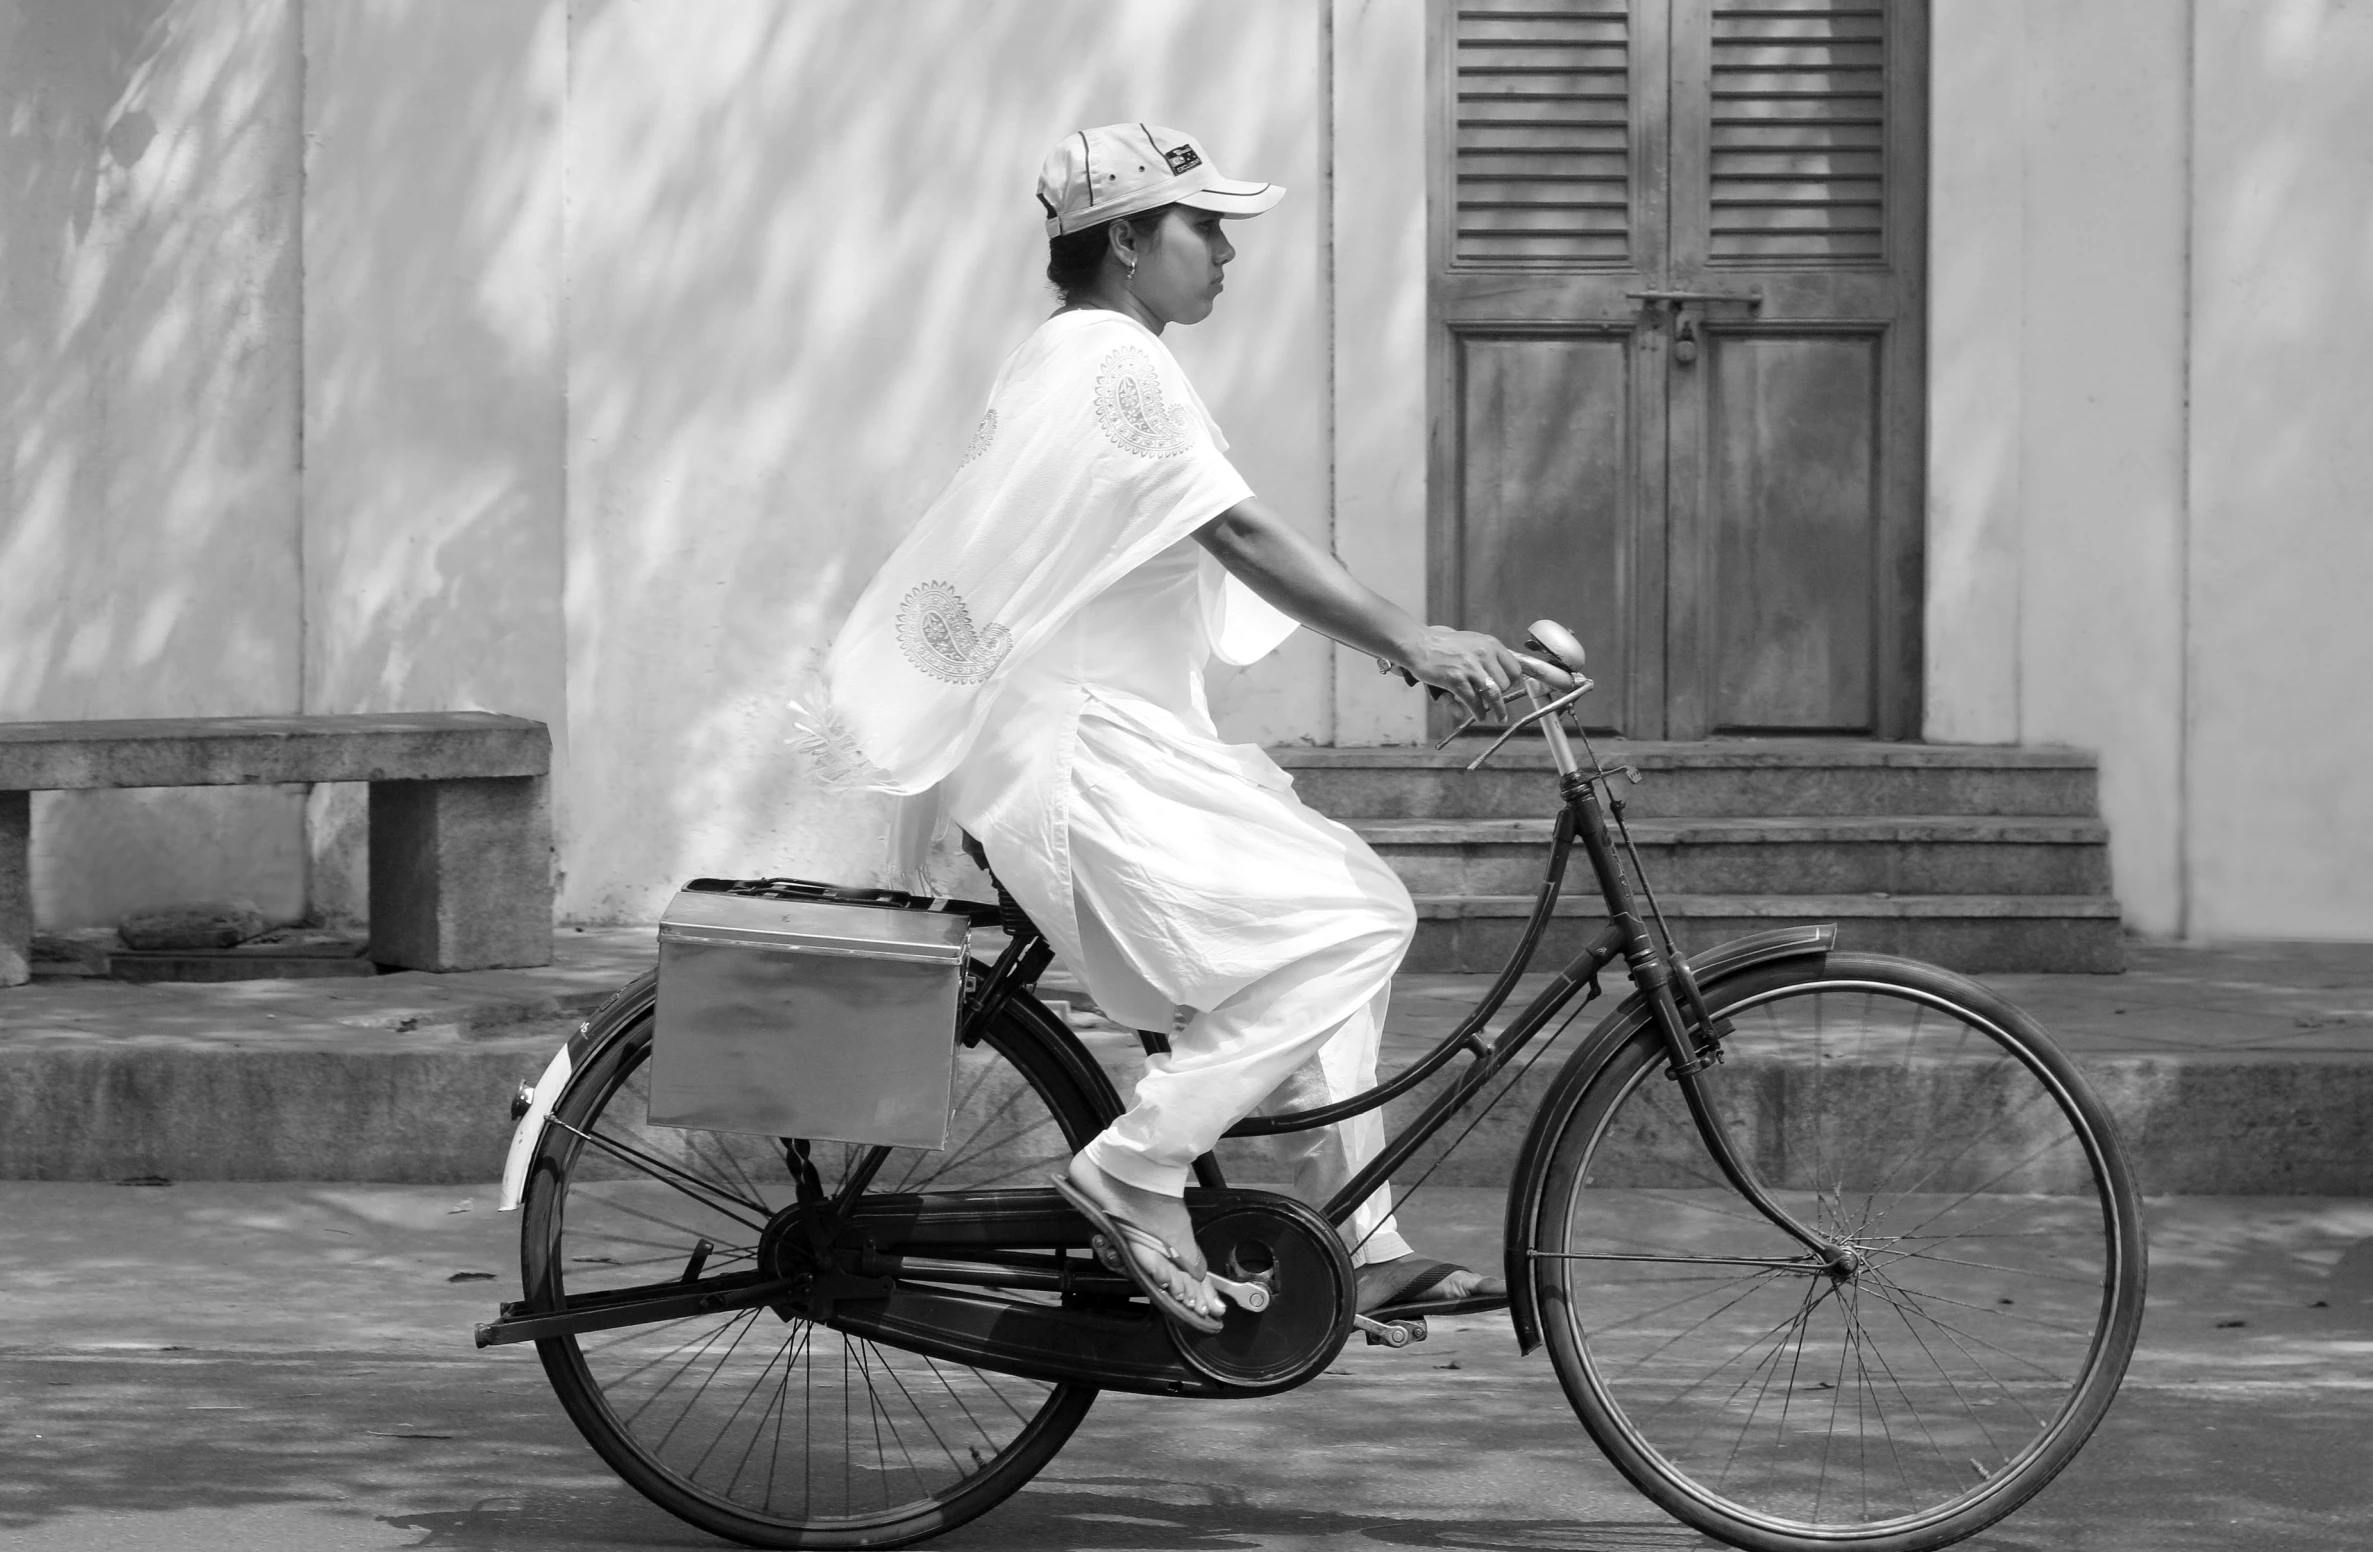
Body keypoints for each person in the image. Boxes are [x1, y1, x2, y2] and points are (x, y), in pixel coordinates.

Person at [801, 124, 1549, 1332]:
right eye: (1205, 229)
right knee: (1360, 921)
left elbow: (1222, 534)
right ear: (1128, 240)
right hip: (1084, 755)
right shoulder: (1113, 365)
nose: (1226, 253)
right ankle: (1136, 1167)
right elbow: (1240, 535)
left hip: (1112, 739)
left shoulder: (1080, 357)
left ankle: (1356, 1235)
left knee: (1339, 905)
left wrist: (1408, 638)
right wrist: (1416, 641)